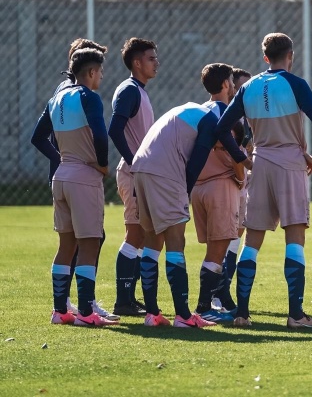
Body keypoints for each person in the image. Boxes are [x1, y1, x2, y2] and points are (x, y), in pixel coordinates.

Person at [217, 33, 312, 329]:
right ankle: (296, 315)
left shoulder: (249, 86)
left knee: (252, 240)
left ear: (265, 57)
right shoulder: (296, 84)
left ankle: (242, 313)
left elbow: (222, 127)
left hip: (261, 164)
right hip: (290, 162)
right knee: (295, 237)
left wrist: (242, 158)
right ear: (290, 55)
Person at [131, 74, 248, 328]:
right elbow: (196, 163)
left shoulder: (190, 111)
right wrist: (183, 193)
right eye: (220, 147)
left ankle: (152, 314)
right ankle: (184, 316)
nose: (217, 149)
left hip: (140, 166)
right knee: (176, 241)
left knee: (152, 241)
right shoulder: (211, 122)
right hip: (165, 172)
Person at [32, 48, 118, 326]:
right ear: (91, 72)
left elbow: (37, 137)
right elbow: (100, 135)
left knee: (66, 246)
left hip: (61, 176)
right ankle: (86, 313)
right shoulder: (88, 97)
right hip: (83, 178)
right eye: (100, 72)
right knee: (89, 244)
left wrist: (61, 159)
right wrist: (102, 164)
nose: (101, 77)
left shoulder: (56, 98)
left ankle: (60, 311)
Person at [190, 64, 248, 323]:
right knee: (217, 250)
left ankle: (221, 301)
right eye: (232, 82)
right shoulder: (226, 114)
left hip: (198, 187)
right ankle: (205, 306)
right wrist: (241, 178)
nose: (234, 86)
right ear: (225, 84)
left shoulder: (200, 111)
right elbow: (235, 155)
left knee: (215, 249)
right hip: (220, 186)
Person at [108, 38, 159, 317]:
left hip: (140, 173)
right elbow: (114, 130)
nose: (156, 62)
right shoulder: (129, 90)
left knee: (141, 236)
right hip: (133, 173)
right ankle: (122, 301)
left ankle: (129, 298)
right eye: (151, 58)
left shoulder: (139, 91)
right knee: (135, 234)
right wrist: (133, 162)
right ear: (136, 63)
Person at [212, 67, 253, 313]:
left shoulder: (248, 116)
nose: (246, 92)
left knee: (235, 239)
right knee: (224, 239)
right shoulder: (225, 115)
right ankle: (217, 295)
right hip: (227, 182)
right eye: (241, 87)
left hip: (242, 182)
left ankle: (224, 293)